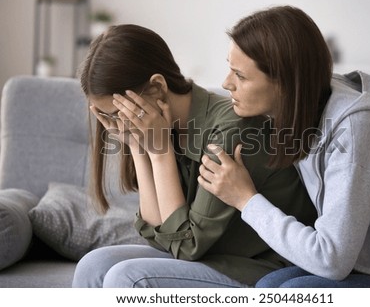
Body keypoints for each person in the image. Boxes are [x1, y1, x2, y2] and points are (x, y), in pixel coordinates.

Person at [198, 6, 370, 287]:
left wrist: (245, 199)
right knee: (269, 285)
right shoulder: (302, 108)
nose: (226, 83)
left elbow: (330, 260)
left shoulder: (355, 131)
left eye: (240, 76)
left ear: (285, 82)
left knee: (293, 292)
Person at [71, 24, 317, 288]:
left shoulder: (231, 130)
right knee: (93, 265)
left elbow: (186, 246)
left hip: (262, 267)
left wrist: (160, 152)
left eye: (119, 115)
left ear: (156, 87)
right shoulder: (163, 127)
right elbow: (157, 234)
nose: (118, 126)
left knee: (127, 278)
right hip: (213, 258)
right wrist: (136, 146)